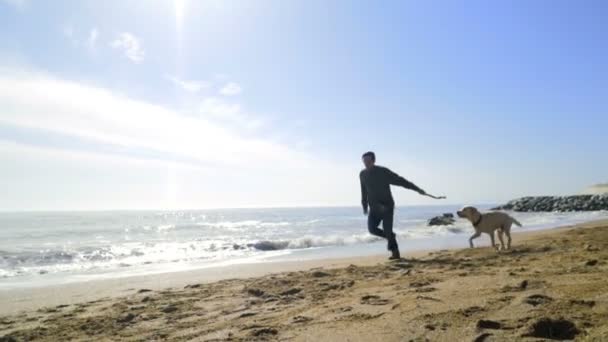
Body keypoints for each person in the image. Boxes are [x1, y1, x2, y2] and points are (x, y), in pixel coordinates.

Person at [359, 151, 427, 260]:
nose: (366, 163)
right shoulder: (362, 174)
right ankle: (391, 236)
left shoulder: (382, 172)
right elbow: (363, 190)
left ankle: (395, 253)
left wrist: (417, 189)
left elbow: (400, 180)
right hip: (374, 208)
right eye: (364, 161)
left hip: (387, 207)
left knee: (387, 230)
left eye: (368, 161)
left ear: (373, 161)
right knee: (372, 229)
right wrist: (364, 205)